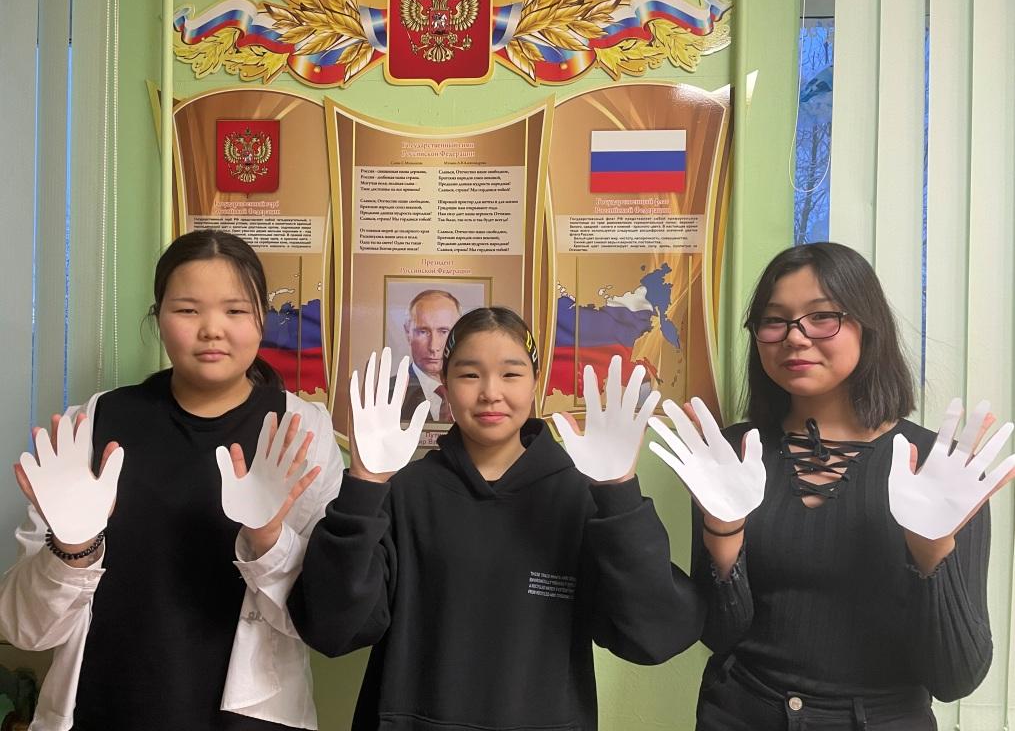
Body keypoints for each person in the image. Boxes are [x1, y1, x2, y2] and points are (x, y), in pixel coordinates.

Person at [648, 242, 1015, 730]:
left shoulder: (938, 467)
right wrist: (724, 532)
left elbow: (956, 677)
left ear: (868, 325)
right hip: (741, 713)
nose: (795, 338)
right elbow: (719, 635)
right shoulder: (731, 454)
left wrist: (932, 549)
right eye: (774, 321)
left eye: (822, 317)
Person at [288, 306, 705, 730]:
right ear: (444, 386)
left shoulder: (582, 497)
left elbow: (654, 637)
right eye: (470, 374)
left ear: (535, 382)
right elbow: (332, 629)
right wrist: (363, 486)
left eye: (510, 374)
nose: (490, 392)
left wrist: (619, 491)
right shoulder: (404, 493)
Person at [0, 230, 344, 731]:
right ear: (158, 316)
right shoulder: (94, 425)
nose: (212, 329)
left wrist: (268, 539)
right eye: (187, 310)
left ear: (262, 320)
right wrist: (71, 548)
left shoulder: (300, 432)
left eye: (235, 310)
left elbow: (324, 618)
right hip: (103, 710)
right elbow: (26, 630)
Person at [395, 289, 461, 422]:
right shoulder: (390, 393)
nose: (433, 347)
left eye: (443, 331)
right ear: (408, 333)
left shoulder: (473, 389)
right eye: (423, 332)